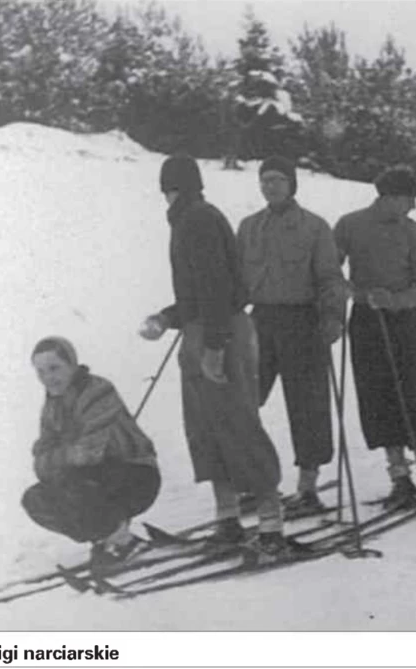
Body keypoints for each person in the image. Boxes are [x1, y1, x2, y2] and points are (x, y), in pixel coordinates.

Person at [140, 154, 297, 561]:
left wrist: (214, 346)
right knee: (206, 430)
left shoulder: (199, 220)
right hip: (205, 331)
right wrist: (166, 318)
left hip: (221, 335)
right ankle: (228, 519)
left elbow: (217, 287)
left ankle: (270, 525)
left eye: (167, 189)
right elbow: (198, 293)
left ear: (172, 188)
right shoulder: (189, 219)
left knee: (238, 426)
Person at [237, 156, 348, 516]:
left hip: (303, 321)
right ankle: (255, 484)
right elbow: (237, 278)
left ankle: (308, 487)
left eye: (278, 180)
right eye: (265, 180)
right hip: (260, 321)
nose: (270, 186)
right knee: (245, 402)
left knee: (308, 405)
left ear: (292, 184)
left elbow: (330, 277)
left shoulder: (315, 227)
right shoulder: (249, 226)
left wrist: (332, 316)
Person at [334, 166, 416, 509]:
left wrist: (396, 301)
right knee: (377, 396)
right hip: (366, 320)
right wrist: (355, 294)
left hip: (403, 322)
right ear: (391, 197)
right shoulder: (350, 224)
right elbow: (329, 272)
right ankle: (399, 477)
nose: (413, 206)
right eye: (409, 199)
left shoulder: (414, 232)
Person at [22, 336, 160, 566]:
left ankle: (121, 540)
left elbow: (88, 454)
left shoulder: (97, 391)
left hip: (136, 476)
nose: (48, 378)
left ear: (72, 365)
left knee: (74, 485)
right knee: (35, 499)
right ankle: (105, 538)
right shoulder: (52, 405)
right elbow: (42, 462)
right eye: (41, 372)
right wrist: (57, 458)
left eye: (55, 368)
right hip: (92, 479)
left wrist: (53, 458)